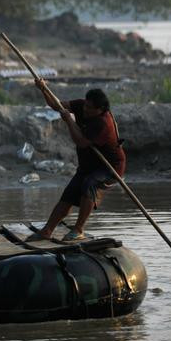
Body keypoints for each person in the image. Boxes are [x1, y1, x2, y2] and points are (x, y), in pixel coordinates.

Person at [29, 82, 126, 240]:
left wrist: (69, 121)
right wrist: (44, 89)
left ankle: (78, 229)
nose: (85, 110)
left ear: (100, 110)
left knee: (89, 184)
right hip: (88, 165)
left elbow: (81, 141)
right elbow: (58, 106)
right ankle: (47, 231)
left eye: (90, 108)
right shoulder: (83, 105)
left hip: (109, 168)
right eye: (85, 106)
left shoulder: (103, 123)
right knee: (69, 193)